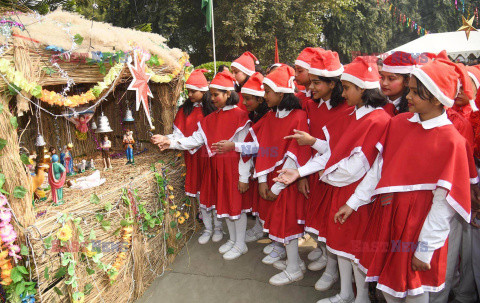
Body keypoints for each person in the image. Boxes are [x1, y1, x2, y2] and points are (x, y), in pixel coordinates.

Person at [339, 58, 478, 303]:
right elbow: (379, 169)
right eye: (410, 89)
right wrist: (353, 202)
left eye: (415, 92)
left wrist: (425, 248)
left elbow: (443, 205)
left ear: (436, 98)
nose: (409, 96)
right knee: (388, 286)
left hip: (420, 225)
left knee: (416, 290)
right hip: (391, 216)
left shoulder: (452, 141)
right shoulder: (399, 123)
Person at [274, 56, 391, 302]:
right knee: (342, 247)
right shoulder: (352, 114)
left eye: (347, 87)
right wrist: (300, 172)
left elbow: (359, 168)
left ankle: (360, 298)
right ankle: (346, 293)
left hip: (358, 197)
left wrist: (326, 176)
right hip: (343, 191)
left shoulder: (378, 120)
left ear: (362, 89)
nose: (343, 92)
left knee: (354, 249)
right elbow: (332, 152)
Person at [151, 70, 251, 260]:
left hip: (234, 169)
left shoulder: (240, 116)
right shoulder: (210, 119)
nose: (211, 98)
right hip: (218, 169)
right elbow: (194, 139)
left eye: (215, 95)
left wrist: (244, 176)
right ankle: (232, 240)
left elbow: (247, 149)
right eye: (211, 94)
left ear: (228, 94)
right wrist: (169, 142)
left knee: (236, 207)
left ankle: (240, 243)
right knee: (226, 205)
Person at [287, 49, 353, 291]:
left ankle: (332, 268)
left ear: (333, 84)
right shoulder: (311, 107)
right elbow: (304, 142)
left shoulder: (347, 109)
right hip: (314, 171)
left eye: (316, 83)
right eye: (311, 81)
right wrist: (303, 173)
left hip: (338, 174)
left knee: (333, 220)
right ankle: (326, 254)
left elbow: (337, 149)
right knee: (318, 218)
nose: (310, 87)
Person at [246, 65, 311, 285]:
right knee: (279, 221)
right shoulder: (272, 116)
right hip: (273, 178)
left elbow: (294, 155)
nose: (264, 97)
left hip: (286, 182)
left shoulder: (299, 116)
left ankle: (294, 268)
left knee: (287, 222)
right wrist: (262, 180)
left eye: (267, 91)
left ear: (281, 93)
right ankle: (295, 262)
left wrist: (276, 186)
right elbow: (264, 147)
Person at [212, 72, 270, 244]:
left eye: (248, 99)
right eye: (243, 98)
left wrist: (234, 147)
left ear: (261, 99)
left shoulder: (263, 118)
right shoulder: (254, 115)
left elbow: (267, 149)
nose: (244, 103)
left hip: (265, 170)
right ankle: (239, 240)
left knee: (262, 208)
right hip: (257, 169)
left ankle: (273, 245)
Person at [167, 69, 221, 245]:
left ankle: (218, 227)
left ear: (203, 91)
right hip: (193, 159)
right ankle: (207, 228)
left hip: (210, 157)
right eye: (188, 91)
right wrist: (165, 140)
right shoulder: (184, 110)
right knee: (199, 193)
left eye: (193, 91)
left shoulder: (212, 111)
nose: (189, 94)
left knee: (213, 192)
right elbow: (177, 134)